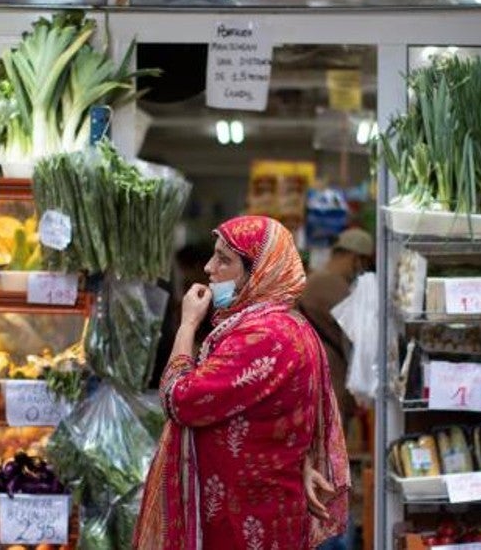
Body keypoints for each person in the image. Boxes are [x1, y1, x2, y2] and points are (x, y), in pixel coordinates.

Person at [135, 215, 350, 550]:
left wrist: (187, 324)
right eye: (213, 255)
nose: (209, 267)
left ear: (259, 271)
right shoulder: (289, 326)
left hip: (244, 519)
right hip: (263, 509)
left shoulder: (263, 336)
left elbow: (178, 399)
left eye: (224, 259)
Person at [298, 227, 375, 428]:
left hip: (321, 369)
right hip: (327, 372)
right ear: (354, 258)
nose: (364, 269)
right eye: (365, 262)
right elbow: (362, 326)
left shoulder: (319, 278)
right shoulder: (328, 282)